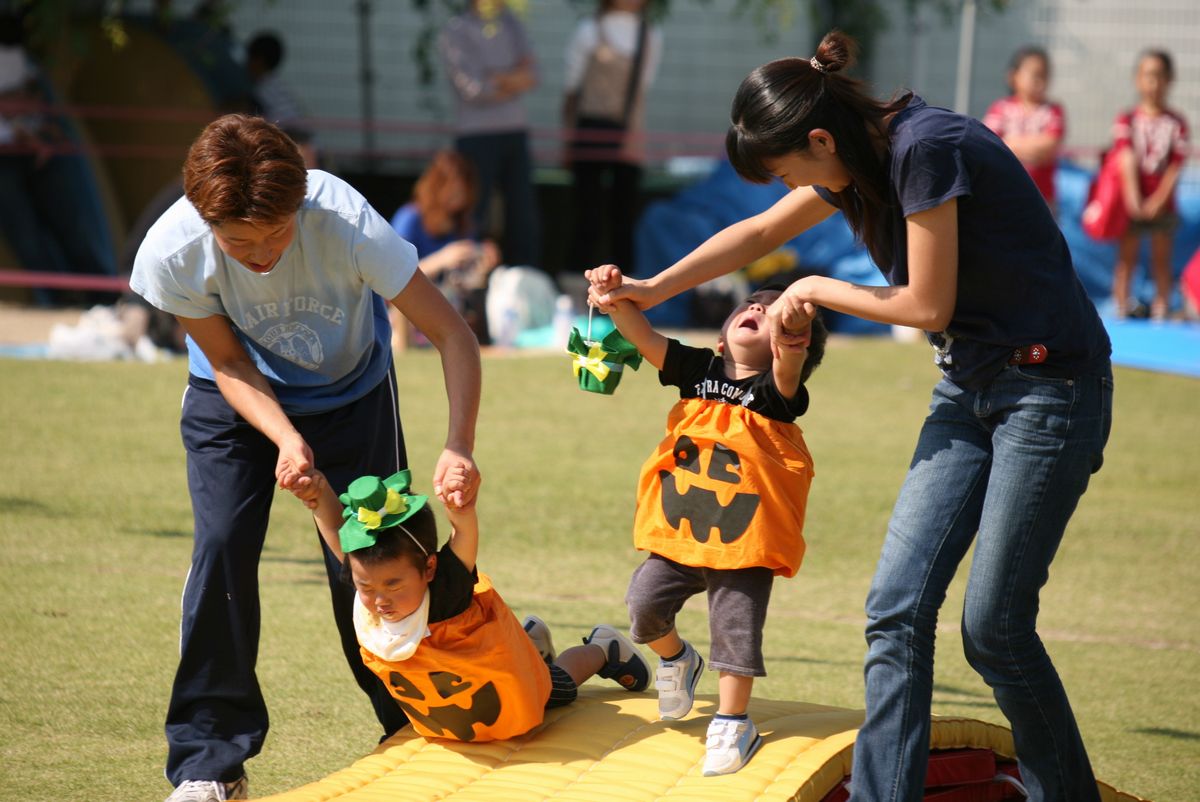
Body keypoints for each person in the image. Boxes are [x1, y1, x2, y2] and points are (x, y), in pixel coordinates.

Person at [589, 30, 1113, 802]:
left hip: (1050, 391)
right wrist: (650, 286)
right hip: (966, 389)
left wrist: (814, 289)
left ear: (820, 139)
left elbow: (924, 304)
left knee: (993, 629)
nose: (785, 188)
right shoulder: (852, 162)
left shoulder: (926, 149)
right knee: (895, 611)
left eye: (785, 170)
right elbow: (759, 234)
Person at [130, 114, 483, 802]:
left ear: (301, 206)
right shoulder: (173, 251)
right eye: (239, 244)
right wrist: (285, 438)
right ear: (206, 222)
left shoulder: (348, 222)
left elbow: (451, 333)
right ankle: (210, 763)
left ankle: (419, 723)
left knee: (375, 564)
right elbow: (227, 359)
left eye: (276, 235)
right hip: (231, 399)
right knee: (223, 546)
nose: (261, 256)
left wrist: (459, 443)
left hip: (351, 395)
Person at [590, 270, 827, 776]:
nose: (761, 310)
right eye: (755, 305)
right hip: (682, 530)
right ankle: (677, 659)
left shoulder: (777, 395)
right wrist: (612, 297)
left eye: (774, 313)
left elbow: (789, 363)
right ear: (722, 336)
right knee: (643, 606)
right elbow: (643, 337)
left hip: (745, 538)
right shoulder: (699, 370)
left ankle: (732, 721)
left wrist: (794, 329)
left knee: (735, 633)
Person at [283, 466, 652, 741]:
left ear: (429, 568)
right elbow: (338, 539)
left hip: (489, 678)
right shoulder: (368, 584)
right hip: (455, 692)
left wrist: (460, 507)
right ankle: (530, 643)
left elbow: (464, 537)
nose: (379, 600)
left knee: (555, 689)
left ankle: (602, 648)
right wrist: (319, 498)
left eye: (394, 586)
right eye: (367, 587)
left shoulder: (446, 589)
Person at [0, 10, 118, 307]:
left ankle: (93, 291)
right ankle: (61, 295)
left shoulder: (17, 56)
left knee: (68, 219)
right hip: (14, 152)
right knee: (27, 233)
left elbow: (30, 100)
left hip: (33, 146)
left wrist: (42, 135)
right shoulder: (17, 57)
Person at [440, 0, 541, 269]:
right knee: (473, 212)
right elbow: (472, 89)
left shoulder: (512, 23)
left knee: (523, 214)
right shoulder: (456, 30)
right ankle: (465, 281)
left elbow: (533, 75)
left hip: (514, 132)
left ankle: (526, 276)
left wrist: (494, 78)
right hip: (475, 136)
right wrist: (512, 80)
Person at [563, 0, 663, 271]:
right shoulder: (589, 30)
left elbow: (644, 84)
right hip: (590, 129)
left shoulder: (650, 35)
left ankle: (625, 288)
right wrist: (568, 139)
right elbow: (571, 89)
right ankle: (577, 282)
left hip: (630, 132)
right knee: (587, 215)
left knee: (624, 217)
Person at [389, 150, 501, 347]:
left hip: (450, 310)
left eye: (463, 194)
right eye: (453, 192)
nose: (457, 201)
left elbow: (464, 282)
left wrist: (482, 261)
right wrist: (443, 259)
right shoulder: (410, 218)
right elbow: (390, 275)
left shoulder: (463, 224)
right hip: (406, 313)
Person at [1110, 48, 1189, 321]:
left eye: (1159, 76)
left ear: (1169, 80)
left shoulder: (1176, 123)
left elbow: (1176, 165)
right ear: (1137, 79)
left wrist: (1157, 200)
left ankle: (1160, 309)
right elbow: (1124, 158)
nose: (1153, 83)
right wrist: (1134, 199)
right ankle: (1120, 308)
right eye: (1147, 76)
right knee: (1126, 259)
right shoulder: (1127, 119)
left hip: (1162, 204)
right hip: (1131, 201)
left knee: (1161, 259)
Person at [981, 46, 1064, 209]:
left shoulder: (1053, 110)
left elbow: (1050, 146)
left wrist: (1009, 144)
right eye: (1035, 74)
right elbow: (988, 145)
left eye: (1045, 75)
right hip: (1003, 195)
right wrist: (1033, 150)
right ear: (1014, 76)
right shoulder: (1000, 108)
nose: (1040, 81)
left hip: (1043, 199)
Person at [245, 31, 318, 168]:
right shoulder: (276, 85)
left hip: (296, 145)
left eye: (249, 59)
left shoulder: (263, 89)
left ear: (259, 60)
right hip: (304, 143)